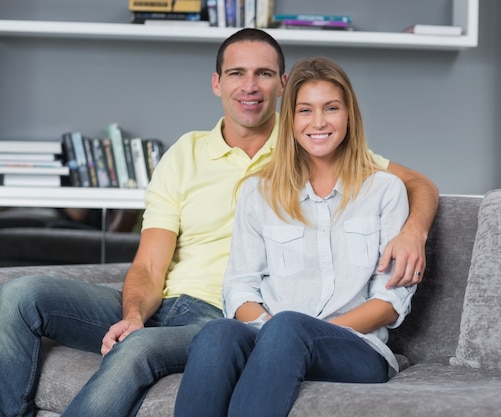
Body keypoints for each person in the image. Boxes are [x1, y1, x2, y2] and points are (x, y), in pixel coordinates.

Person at [0, 28, 437, 417]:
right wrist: (134, 314)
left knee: (164, 346)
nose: (250, 86)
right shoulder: (199, 159)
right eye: (236, 74)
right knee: (19, 295)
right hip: (190, 307)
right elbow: (153, 266)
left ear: (282, 85)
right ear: (217, 82)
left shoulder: (322, 149)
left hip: (230, 315)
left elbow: (413, 184)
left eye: (264, 74)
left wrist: (413, 231)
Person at [174, 56, 417, 417]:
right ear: (290, 119)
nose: (318, 122)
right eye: (305, 110)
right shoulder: (259, 191)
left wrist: (300, 332)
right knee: (217, 334)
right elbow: (239, 286)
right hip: (273, 335)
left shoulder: (385, 190)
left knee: (289, 327)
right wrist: (273, 333)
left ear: (349, 115)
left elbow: (390, 300)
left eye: (331, 108)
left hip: (356, 348)